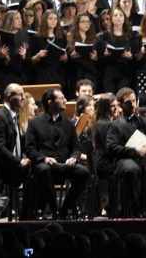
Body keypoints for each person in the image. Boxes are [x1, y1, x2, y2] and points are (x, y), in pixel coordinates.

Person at [106, 87, 146, 217]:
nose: (133, 105)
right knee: (132, 169)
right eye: (128, 102)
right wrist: (134, 151)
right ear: (120, 105)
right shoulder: (115, 124)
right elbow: (111, 147)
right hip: (125, 160)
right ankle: (135, 209)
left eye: (134, 101)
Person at [24, 88, 89, 218]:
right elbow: (30, 149)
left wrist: (73, 158)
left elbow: (76, 148)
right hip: (46, 165)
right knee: (43, 170)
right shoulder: (34, 123)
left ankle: (64, 209)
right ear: (50, 103)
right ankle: (54, 210)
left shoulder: (68, 123)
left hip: (65, 164)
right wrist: (44, 158)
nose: (65, 100)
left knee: (83, 172)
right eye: (61, 98)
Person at [0, 83, 32, 215]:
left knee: (39, 169)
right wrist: (19, 161)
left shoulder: (13, 115)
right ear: (9, 96)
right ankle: (26, 213)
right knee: (35, 173)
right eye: (20, 95)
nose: (23, 98)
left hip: (11, 163)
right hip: (2, 166)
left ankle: (28, 212)